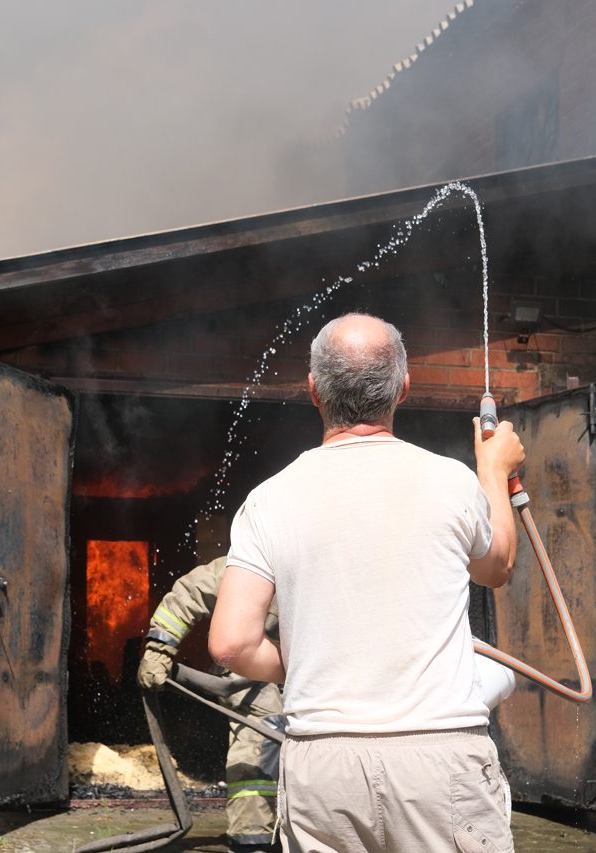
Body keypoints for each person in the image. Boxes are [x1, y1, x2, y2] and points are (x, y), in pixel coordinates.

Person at [208, 312, 526, 853]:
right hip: (439, 758)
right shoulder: (452, 482)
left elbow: (231, 643)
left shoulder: (268, 499)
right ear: (404, 388)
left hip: (322, 762)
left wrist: (308, 661)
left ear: (313, 390)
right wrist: (494, 474)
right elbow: (495, 569)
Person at [136, 556, 283, 853]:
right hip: (258, 683)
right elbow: (191, 592)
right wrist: (159, 648)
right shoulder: (257, 559)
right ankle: (252, 841)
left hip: (324, 682)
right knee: (256, 752)